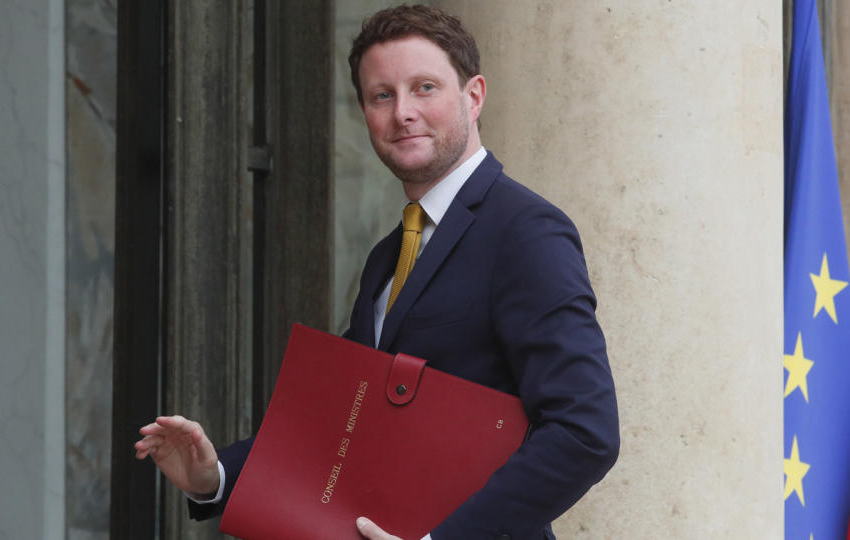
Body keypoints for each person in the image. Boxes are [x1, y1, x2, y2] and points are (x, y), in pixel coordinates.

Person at [135, 5, 619, 539]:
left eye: (425, 87)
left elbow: (585, 432)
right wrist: (215, 475)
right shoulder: (389, 255)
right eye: (381, 95)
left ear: (474, 95)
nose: (403, 112)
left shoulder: (527, 232)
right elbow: (347, 417)